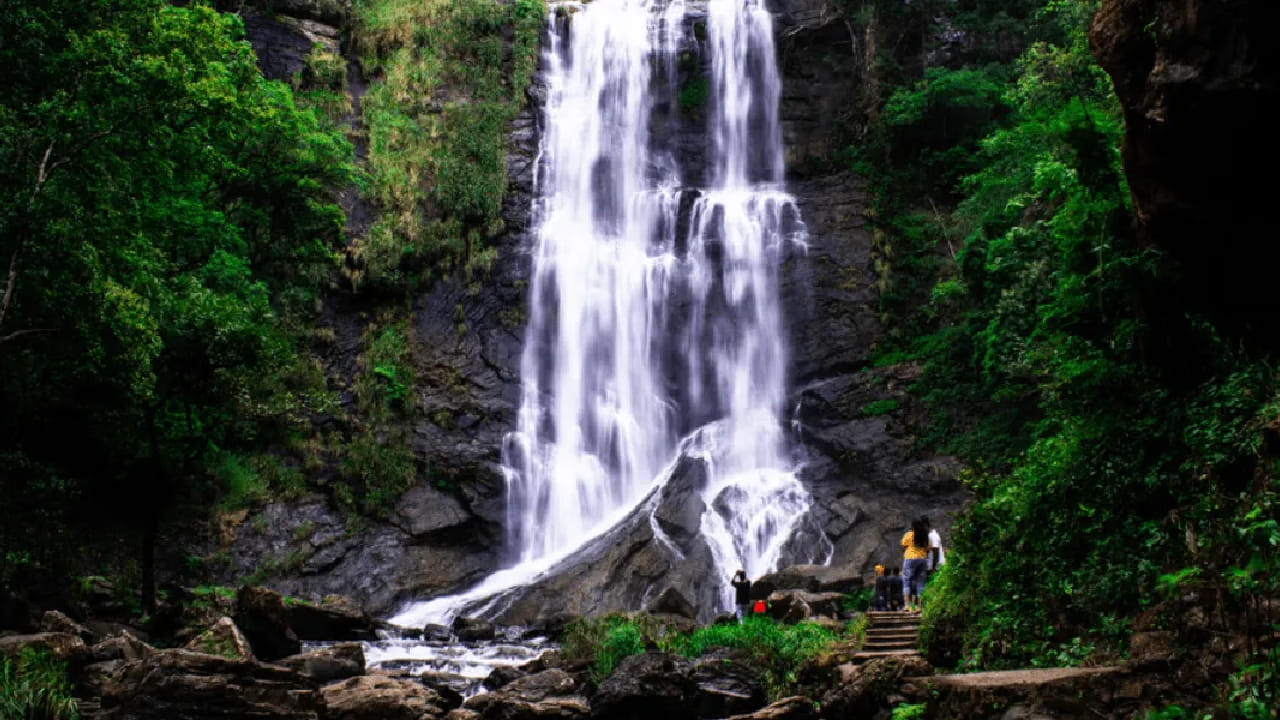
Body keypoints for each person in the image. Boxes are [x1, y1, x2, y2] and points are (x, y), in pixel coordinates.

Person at [901, 517, 930, 612]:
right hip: (922, 559)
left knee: (906, 581)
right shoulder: (925, 536)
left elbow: (903, 546)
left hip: (910, 558)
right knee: (920, 583)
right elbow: (928, 549)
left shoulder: (909, 534)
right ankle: (919, 607)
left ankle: (907, 605)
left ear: (913, 526)